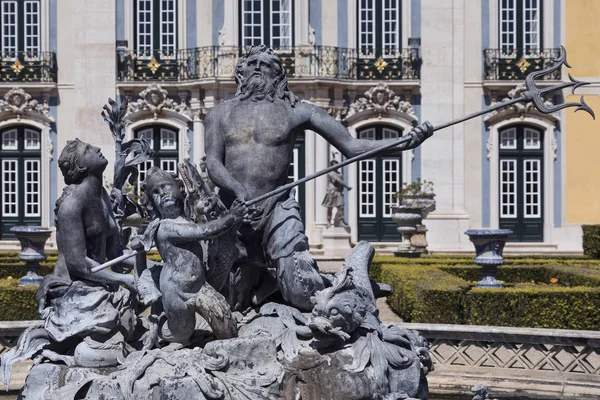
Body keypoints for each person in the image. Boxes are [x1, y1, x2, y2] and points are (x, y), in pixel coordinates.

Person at [205, 45, 433, 311]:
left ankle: (350, 285)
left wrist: (404, 142)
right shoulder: (218, 114)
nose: (257, 67)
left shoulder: (297, 111)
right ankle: (269, 285)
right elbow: (212, 162)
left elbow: (351, 146)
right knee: (223, 296)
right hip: (232, 211)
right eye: (252, 61)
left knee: (301, 291)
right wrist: (236, 189)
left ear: (278, 75)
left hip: (276, 207)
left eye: (266, 64)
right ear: (240, 71)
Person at [36, 139, 138, 367]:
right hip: (73, 289)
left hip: (98, 285)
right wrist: (123, 279)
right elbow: (78, 264)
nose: (98, 148)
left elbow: (115, 251)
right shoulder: (71, 205)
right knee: (112, 327)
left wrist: (148, 267)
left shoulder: (101, 194)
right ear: (81, 165)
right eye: (90, 150)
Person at [137, 166, 247, 344]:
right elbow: (204, 231)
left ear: (180, 189)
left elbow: (207, 221)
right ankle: (159, 327)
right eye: (155, 193)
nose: (162, 194)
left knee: (229, 330)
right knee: (179, 335)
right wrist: (232, 216)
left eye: (165, 187)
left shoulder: (185, 218)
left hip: (200, 287)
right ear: (152, 203)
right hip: (178, 293)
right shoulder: (165, 227)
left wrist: (229, 214)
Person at [322, 159, 352, 228]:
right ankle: (328, 221)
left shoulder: (340, 174)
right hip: (331, 192)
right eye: (335, 165)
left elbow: (340, 182)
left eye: (337, 165)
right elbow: (338, 181)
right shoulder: (331, 173)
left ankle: (341, 221)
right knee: (330, 208)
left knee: (341, 206)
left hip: (338, 192)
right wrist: (347, 187)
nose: (337, 166)